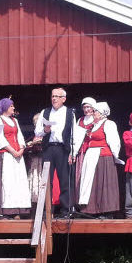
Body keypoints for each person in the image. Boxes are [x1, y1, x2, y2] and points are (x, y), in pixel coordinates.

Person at [34, 87, 77, 216]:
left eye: (57, 96)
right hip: (48, 148)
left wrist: (72, 152)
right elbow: (37, 131)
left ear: (63, 99)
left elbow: (74, 134)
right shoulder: (45, 112)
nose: (54, 99)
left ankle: (66, 210)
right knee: (47, 179)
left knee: (65, 179)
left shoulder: (70, 113)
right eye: (52, 96)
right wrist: (45, 130)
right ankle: (47, 209)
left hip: (63, 148)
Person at [77, 101, 120, 217]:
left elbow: (114, 141)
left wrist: (115, 156)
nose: (93, 113)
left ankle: (107, 210)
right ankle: (92, 210)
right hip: (91, 157)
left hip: (103, 157)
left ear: (101, 113)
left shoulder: (108, 124)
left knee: (103, 183)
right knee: (92, 183)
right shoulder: (93, 125)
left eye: (95, 111)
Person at [0, 98, 31, 217]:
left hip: (17, 155)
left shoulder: (15, 120)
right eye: (11, 106)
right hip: (6, 154)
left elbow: (19, 135)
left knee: (18, 181)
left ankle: (19, 209)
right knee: (8, 182)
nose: (13, 108)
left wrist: (21, 149)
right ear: (4, 108)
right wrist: (13, 151)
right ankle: (8, 210)